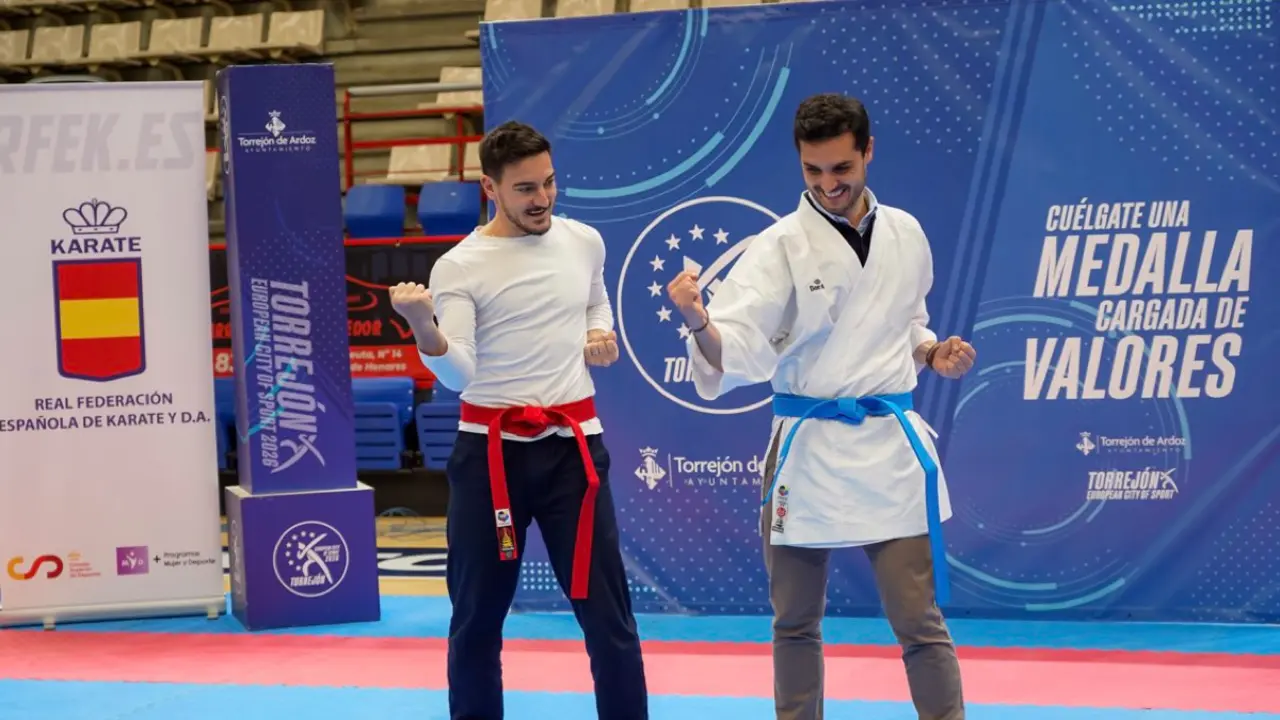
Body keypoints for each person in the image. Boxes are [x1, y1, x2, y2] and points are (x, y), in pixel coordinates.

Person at [667, 93, 975, 720]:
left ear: (867, 151)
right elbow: (743, 342)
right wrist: (699, 321)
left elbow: (908, 321)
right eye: (813, 171)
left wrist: (931, 350)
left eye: (841, 168)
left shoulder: (907, 233)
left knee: (921, 621)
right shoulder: (778, 246)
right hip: (808, 450)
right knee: (796, 622)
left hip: (888, 445)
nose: (829, 184)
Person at [389, 120, 649, 720]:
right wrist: (423, 326)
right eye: (526, 188)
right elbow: (458, 374)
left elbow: (594, 298)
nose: (543, 199)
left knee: (610, 617)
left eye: (550, 183)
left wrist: (598, 332)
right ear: (490, 187)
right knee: (477, 620)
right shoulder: (460, 266)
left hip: (574, 451)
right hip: (490, 457)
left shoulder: (584, 240)